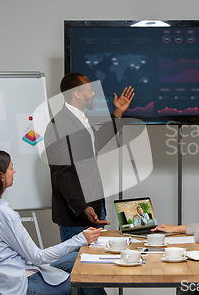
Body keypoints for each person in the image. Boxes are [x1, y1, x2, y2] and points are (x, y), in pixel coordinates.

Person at [0, 149, 105, 295]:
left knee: (81, 258)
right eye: (11, 168)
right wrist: (81, 238)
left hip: (22, 269)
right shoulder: (2, 213)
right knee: (85, 277)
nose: (13, 172)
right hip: (23, 283)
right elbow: (37, 256)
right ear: (1, 176)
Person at [44, 73, 134, 242]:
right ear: (77, 93)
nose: (93, 94)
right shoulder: (58, 125)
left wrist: (117, 113)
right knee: (77, 266)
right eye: (90, 89)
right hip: (76, 217)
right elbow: (61, 173)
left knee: (96, 264)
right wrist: (83, 207)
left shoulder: (81, 120)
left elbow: (95, 142)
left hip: (94, 208)